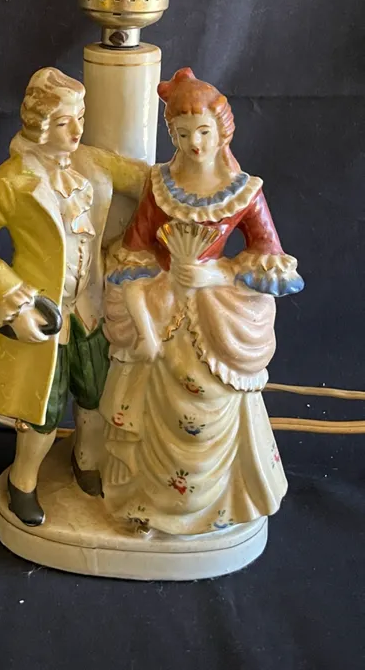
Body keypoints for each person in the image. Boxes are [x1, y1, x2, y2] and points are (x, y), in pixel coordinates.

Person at [100, 67, 303, 534]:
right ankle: (145, 506)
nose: (195, 144)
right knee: (152, 397)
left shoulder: (244, 191)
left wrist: (218, 272)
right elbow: (134, 251)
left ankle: (218, 507)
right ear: (171, 134)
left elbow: (270, 258)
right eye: (184, 133)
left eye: (204, 132)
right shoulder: (159, 185)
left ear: (222, 131)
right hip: (164, 302)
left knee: (215, 396)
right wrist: (154, 291)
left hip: (215, 312)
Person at [0, 68, 147, 526]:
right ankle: (23, 482)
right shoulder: (14, 180)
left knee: (96, 394)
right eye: (63, 122)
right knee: (42, 408)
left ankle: (87, 462)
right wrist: (11, 296)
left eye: (80, 118)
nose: (76, 131)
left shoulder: (93, 164)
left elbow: (151, 183)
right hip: (43, 313)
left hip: (91, 308)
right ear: (40, 125)